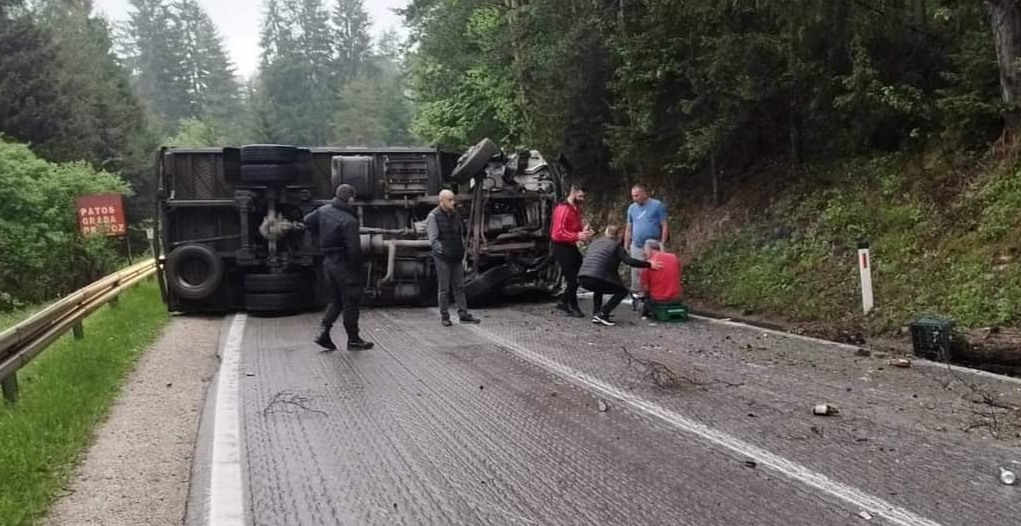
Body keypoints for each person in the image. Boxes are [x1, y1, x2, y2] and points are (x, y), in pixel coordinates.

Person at [304, 183, 374, 351]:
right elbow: (354, 250)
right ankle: (353, 340)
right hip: (343, 264)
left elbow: (307, 221)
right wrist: (357, 269)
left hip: (328, 262)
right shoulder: (349, 221)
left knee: (336, 300)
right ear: (350, 198)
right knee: (351, 300)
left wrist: (318, 236)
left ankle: (323, 332)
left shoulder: (323, 211)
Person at [577, 225, 662, 326]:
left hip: (583, 277)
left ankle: (597, 312)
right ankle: (603, 314)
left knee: (598, 288)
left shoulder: (594, 243)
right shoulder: (616, 246)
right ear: (618, 235)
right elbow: (629, 261)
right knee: (622, 291)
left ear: (605, 233)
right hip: (597, 277)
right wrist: (649, 264)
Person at [426, 189, 481, 326]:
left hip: (456, 256)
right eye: (450, 200)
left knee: (459, 287)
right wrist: (444, 251)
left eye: (453, 199)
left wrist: (462, 252)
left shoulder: (456, 215)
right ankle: (445, 316)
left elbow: (461, 234)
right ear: (442, 201)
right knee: (444, 288)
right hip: (443, 258)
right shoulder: (433, 216)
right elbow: (433, 240)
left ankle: (463, 314)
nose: (453, 202)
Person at [550, 182, 594, 317]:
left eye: (584, 197)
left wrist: (584, 231)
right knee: (572, 278)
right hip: (561, 246)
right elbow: (557, 233)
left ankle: (563, 301)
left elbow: (574, 227)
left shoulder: (575, 208)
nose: (583, 199)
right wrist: (577, 235)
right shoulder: (563, 209)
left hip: (570, 244)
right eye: (580, 196)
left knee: (579, 273)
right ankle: (573, 306)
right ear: (573, 192)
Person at [624, 184, 669, 298]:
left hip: (653, 244)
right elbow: (629, 228)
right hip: (637, 244)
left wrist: (662, 243)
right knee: (637, 270)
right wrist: (626, 244)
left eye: (637, 195)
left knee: (655, 268)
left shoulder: (657, 205)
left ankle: (656, 294)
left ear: (644, 194)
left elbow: (664, 225)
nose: (635, 198)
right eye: (633, 196)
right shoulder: (632, 208)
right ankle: (639, 296)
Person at [639, 239, 683, 317]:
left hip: (660, 300)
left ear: (649, 249)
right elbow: (678, 275)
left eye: (644, 250)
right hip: (677, 299)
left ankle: (647, 312)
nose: (644, 253)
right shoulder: (674, 257)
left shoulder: (647, 265)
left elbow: (646, 288)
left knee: (645, 300)